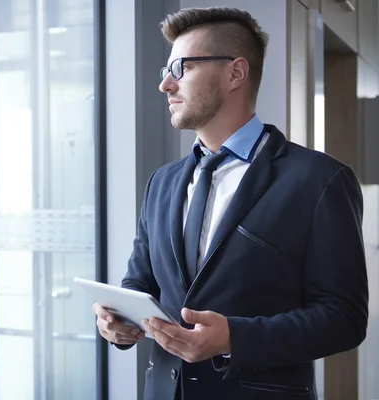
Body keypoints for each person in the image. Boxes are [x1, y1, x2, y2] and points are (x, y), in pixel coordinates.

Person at [92, 6, 368, 400]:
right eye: (165, 72)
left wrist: (234, 338)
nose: (165, 86)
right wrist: (116, 321)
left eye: (181, 68)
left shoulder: (319, 181)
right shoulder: (162, 182)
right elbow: (141, 283)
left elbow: (344, 319)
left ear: (236, 73)